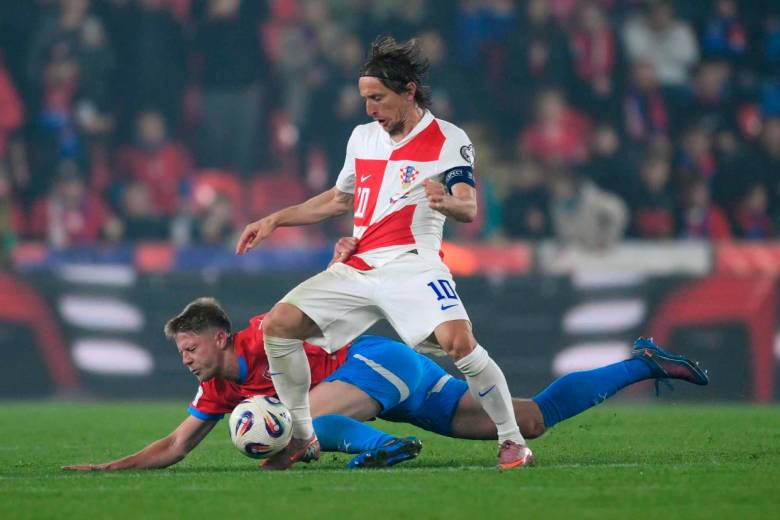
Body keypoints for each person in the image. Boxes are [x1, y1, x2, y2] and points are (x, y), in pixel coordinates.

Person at [234, 35, 532, 470]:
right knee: (278, 326)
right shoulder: (362, 138)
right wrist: (275, 219)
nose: (369, 108)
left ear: (408, 90)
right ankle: (302, 436)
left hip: (412, 263)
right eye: (364, 99)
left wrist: (445, 201)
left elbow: (468, 205)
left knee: (459, 344)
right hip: (358, 265)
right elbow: (339, 200)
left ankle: (512, 440)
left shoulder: (448, 139)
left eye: (377, 98)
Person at [61, 297, 709, 471]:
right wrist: (109, 469)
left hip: (382, 363)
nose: (186, 359)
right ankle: (644, 362)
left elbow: (333, 309)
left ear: (222, 336)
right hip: (398, 384)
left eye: (190, 347)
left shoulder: (269, 333)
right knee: (529, 418)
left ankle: (378, 449)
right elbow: (174, 447)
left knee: (295, 420)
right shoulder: (217, 393)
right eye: (180, 352)